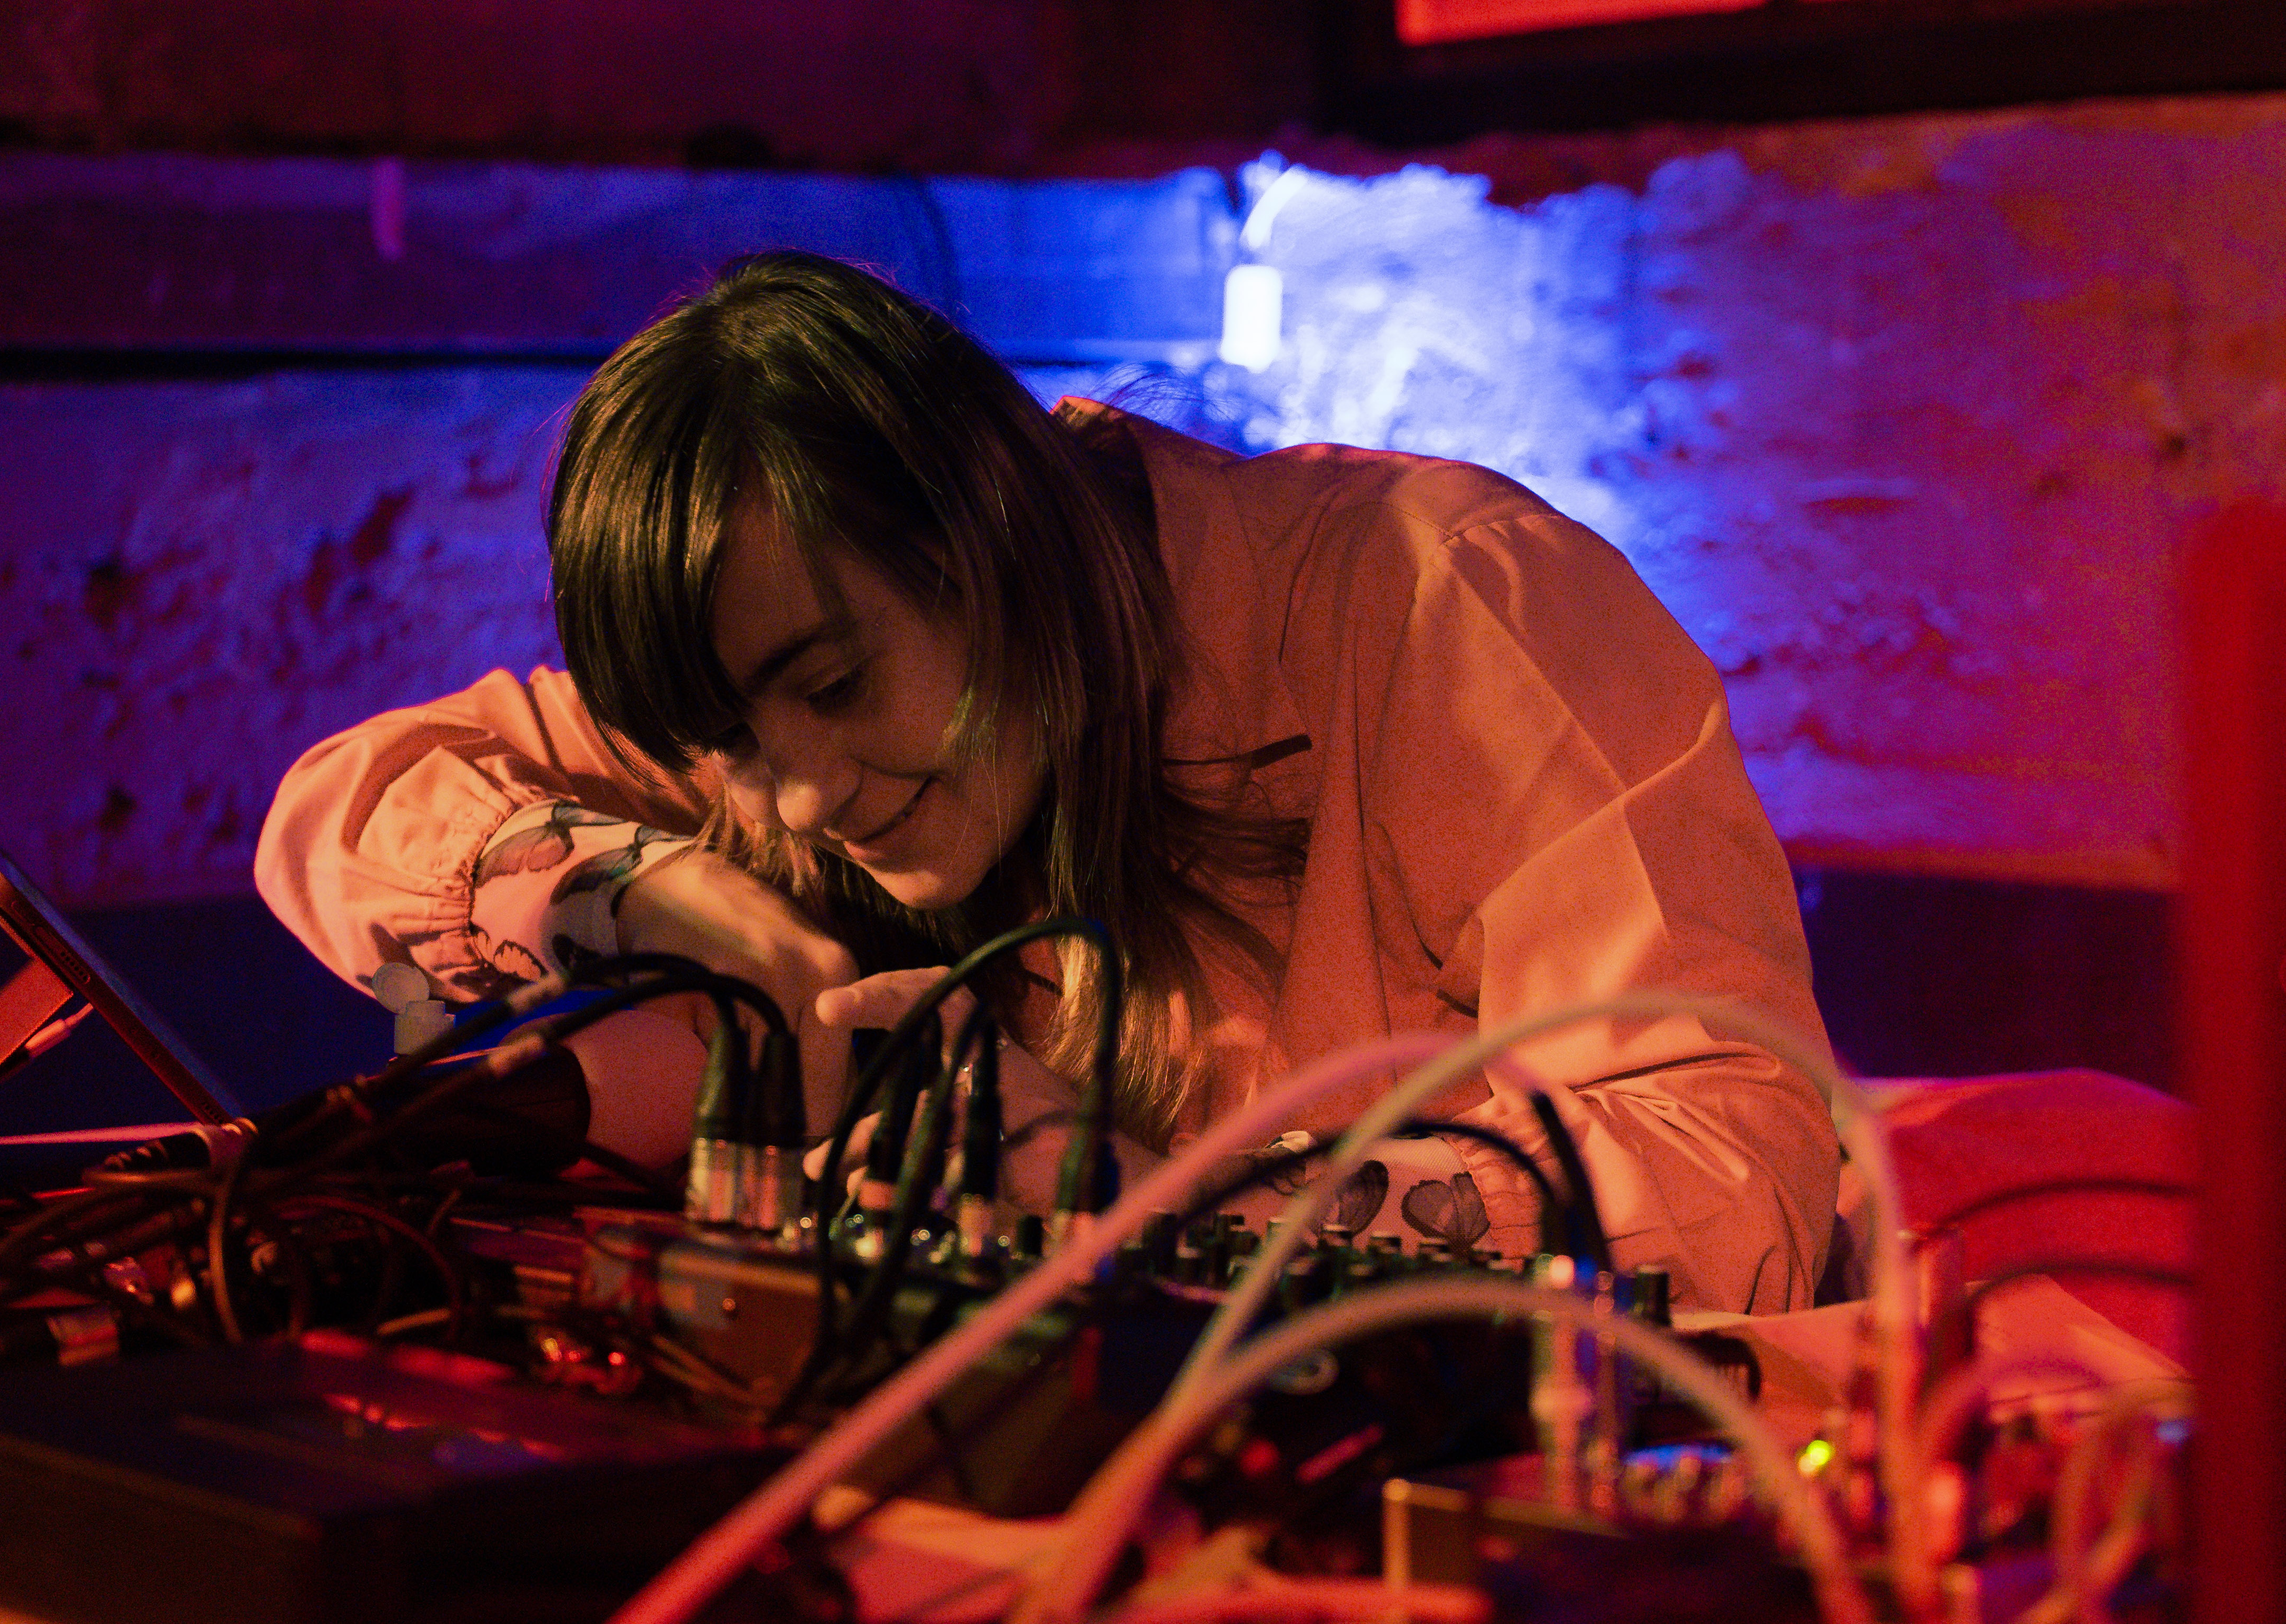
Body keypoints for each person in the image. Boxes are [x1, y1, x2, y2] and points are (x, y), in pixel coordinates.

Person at [254, 251, 1840, 1312]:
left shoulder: (1445, 597)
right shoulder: (769, 730)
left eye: (836, 686)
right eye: (728, 745)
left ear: (995, 531)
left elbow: (1736, 1169)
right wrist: (627, 890)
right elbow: (337, 805)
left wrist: (1166, 1210)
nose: (797, 801)